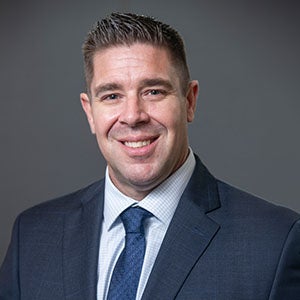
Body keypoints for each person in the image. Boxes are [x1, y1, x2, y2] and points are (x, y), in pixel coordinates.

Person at [0, 12, 299, 300]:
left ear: (189, 101)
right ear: (90, 112)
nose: (133, 116)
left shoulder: (274, 243)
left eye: (153, 91)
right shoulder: (33, 235)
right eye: (112, 96)